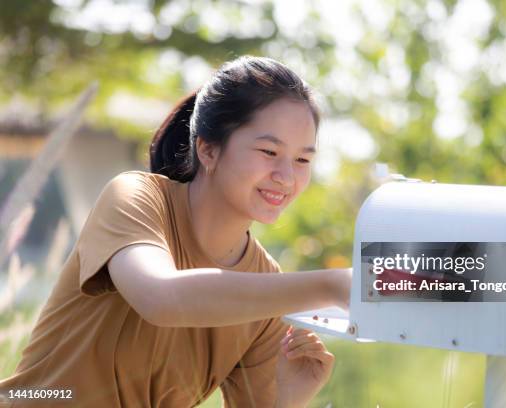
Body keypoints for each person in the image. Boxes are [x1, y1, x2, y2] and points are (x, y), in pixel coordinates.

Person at [0, 56, 352, 407]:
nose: (287, 177)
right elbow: (162, 298)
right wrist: (331, 286)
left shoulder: (264, 286)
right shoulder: (136, 198)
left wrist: (289, 398)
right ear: (208, 149)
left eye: (303, 160)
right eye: (269, 151)